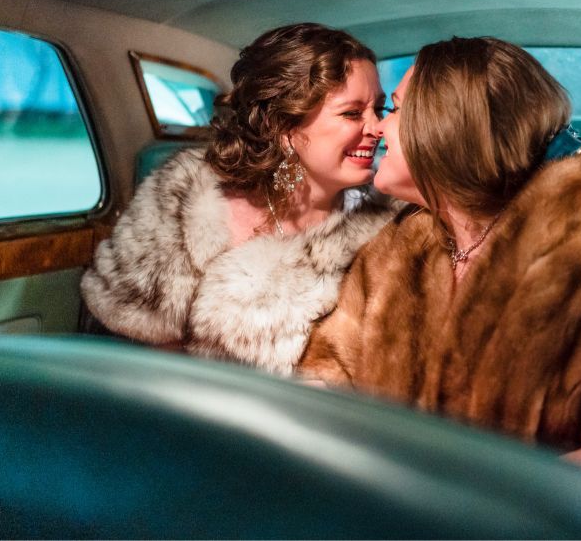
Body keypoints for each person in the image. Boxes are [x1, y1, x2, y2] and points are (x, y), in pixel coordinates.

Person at [298, 36, 581, 538]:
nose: (379, 127)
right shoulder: (404, 242)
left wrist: (455, 505)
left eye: (396, 109)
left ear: (449, 122)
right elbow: (326, 376)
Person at [81, 23, 396, 375]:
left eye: (379, 110)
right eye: (352, 113)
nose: (377, 128)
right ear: (285, 127)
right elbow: (134, 342)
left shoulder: (382, 232)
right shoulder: (184, 201)